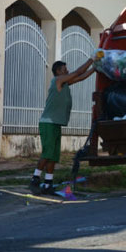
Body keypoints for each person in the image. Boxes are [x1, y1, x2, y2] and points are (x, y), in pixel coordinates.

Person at [29, 58, 95, 195]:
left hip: (55, 123)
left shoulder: (64, 84)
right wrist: (92, 60)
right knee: (47, 153)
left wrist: (96, 68)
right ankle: (35, 179)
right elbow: (78, 72)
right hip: (48, 123)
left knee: (53, 156)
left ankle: (48, 184)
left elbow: (81, 77)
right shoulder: (57, 81)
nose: (68, 71)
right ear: (58, 72)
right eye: (65, 69)